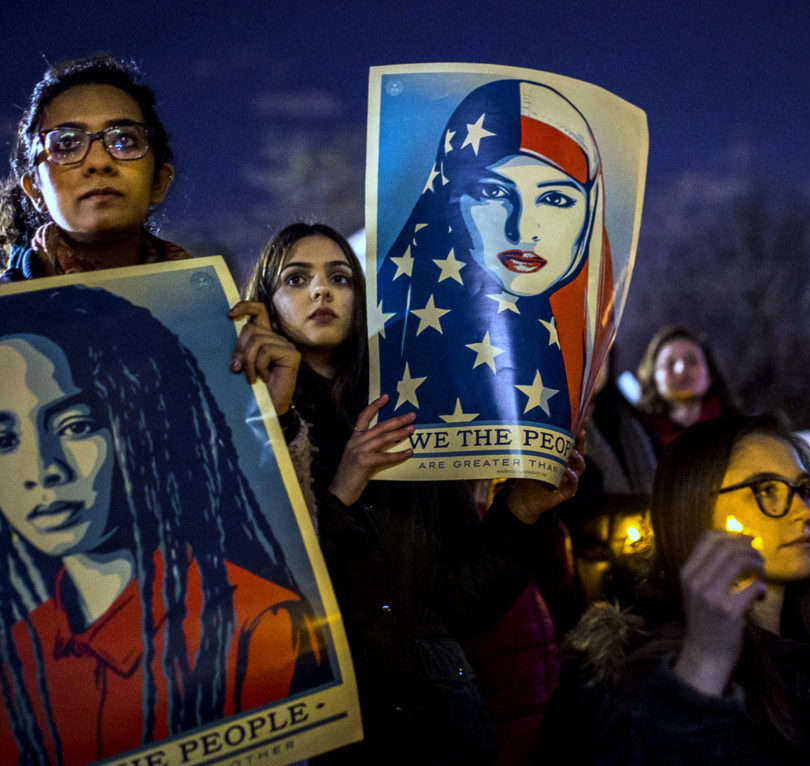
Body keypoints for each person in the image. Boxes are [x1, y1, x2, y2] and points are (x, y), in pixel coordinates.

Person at [230, 222, 583, 764]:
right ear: (266, 304)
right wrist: (343, 487)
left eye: (340, 278)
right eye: (296, 279)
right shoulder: (248, 421)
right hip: (330, 738)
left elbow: (462, 605)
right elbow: (255, 594)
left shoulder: (413, 416)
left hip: (441, 731)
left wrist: (520, 514)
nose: (321, 291)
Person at [0, 285, 324, 765]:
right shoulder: (18, 660)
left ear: (136, 425)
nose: (41, 469)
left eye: (74, 426)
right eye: (1, 439)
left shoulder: (260, 622)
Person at [544, 415, 810, 764]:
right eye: (766, 490)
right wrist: (702, 670)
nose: (803, 511)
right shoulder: (648, 672)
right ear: (695, 507)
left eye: (804, 490)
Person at [374, 79, 614, 434]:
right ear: (447, 198)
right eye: (493, 191)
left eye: (555, 199)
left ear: (591, 211)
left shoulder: (584, 354)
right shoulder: (390, 349)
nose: (523, 230)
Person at [0, 53, 189, 284]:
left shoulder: (206, 302)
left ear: (159, 181)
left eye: (124, 141)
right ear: (35, 190)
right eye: (67, 144)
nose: (98, 162)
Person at [635, 324, 739, 449]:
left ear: (710, 374)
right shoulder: (640, 440)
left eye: (692, 361)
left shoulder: (738, 432)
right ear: (653, 378)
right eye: (669, 364)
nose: (681, 369)